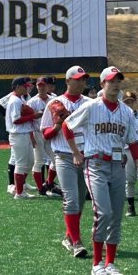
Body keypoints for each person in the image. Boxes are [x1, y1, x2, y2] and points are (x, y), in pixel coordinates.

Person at [64, 66, 138, 275]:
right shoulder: (92, 106)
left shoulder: (126, 112)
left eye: (118, 81)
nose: (115, 84)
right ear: (103, 83)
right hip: (95, 164)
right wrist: (76, 152)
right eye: (111, 81)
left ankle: (110, 263)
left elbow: (133, 142)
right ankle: (96, 265)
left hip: (117, 165)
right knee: (103, 212)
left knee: (116, 216)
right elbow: (67, 126)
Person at [39, 65, 93, 258]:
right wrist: (58, 125)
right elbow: (45, 134)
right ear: (68, 80)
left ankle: (69, 237)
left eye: (84, 79)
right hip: (63, 155)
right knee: (71, 199)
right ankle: (76, 242)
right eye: (78, 79)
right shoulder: (55, 103)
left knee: (80, 200)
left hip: (86, 156)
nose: (82, 82)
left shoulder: (91, 103)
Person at [5, 76, 42, 199]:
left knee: (30, 162)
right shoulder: (15, 101)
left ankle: (20, 186)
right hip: (18, 135)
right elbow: (16, 120)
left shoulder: (19, 98)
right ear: (17, 87)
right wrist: (33, 116)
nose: (27, 88)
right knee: (21, 164)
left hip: (24, 133)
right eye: (25, 86)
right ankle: (19, 193)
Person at [27, 76, 57, 197]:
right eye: (39, 85)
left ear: (47, 86)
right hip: (37, 133)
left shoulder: (54, 99)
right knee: (39, 161)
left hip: (51, 133)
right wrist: (31, 136)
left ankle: (49, 183)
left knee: (56, 159)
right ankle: (41, 189)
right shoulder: (32, 102)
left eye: (43, 85)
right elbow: (28, 121)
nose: (41, 88)